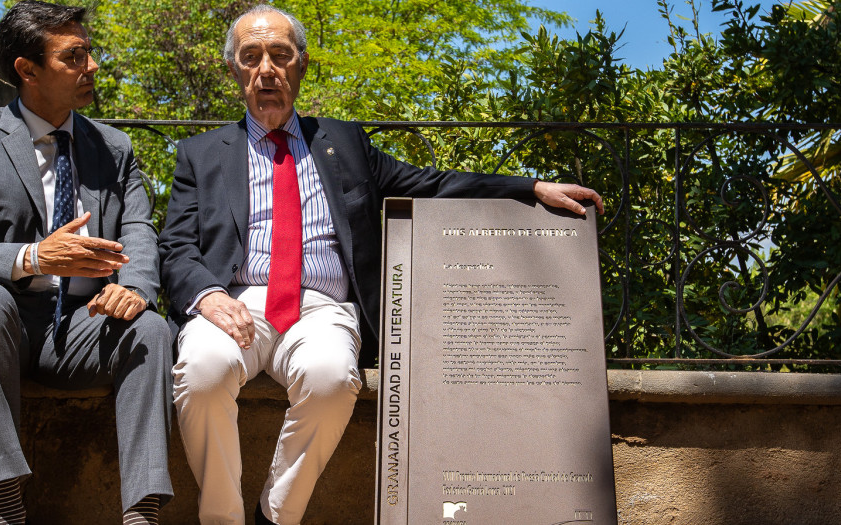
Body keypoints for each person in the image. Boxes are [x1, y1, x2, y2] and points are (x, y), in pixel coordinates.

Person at [157, 5, 604, 524]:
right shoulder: (201, 154)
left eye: (281, 55)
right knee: (203, 371)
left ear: (302, 65)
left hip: (323, 308)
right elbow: (176, 246)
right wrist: (209, 296)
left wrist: (530, 188)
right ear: (234, 70)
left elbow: (431, 184)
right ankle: (222, 518)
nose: (267, 69)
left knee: (330, 378)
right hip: (234, 302)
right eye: (251, 56)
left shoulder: (343, 142)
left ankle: (275, 516)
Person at [0, 1, 173, 523]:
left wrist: (138, 288)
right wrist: (33, 257)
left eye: (89, 53)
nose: (92, 67)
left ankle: (142, 513)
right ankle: (5, 503)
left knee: (151, 330)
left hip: (76, 326)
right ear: (27, 70)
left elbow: (140, 232)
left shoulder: (114, 149)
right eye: (73, 57)